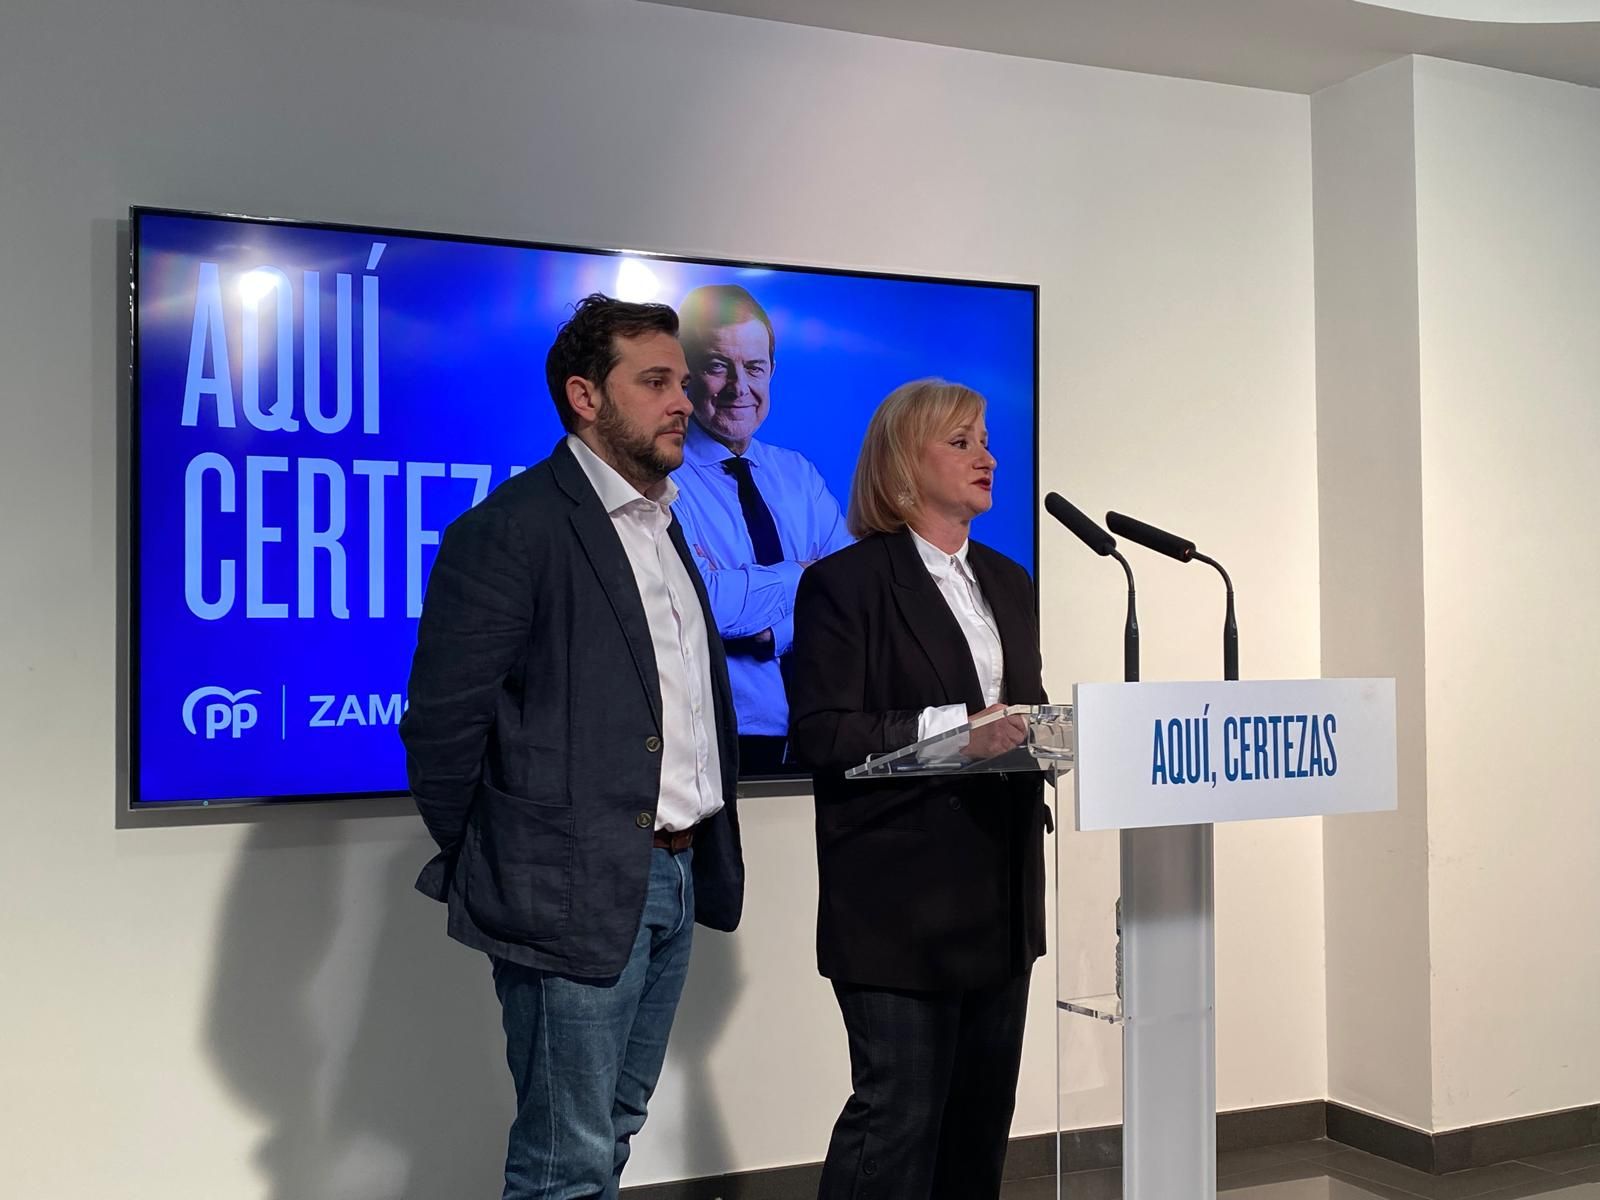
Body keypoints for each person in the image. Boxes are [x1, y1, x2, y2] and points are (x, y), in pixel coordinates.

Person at [399, 293, 744, 1200]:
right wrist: (510, 855)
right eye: (657, 382)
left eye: (682, 380)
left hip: (672, 874)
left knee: (613, 1131)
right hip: (568, 888)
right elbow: (442, 727)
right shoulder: (510, 532)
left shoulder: (667, 525)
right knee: (565, 1162)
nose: (684, 402)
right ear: (586, 397)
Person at [787, 379, 1050, 1200]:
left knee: (978, 1126)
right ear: (906, 462)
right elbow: (823, 734)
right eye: (962, 441)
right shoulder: (846, 584)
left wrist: (1044, 735)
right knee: (898, 1123)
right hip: (899, 905)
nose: (988, 456)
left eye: (986, 439)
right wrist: (953, 728)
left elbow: (1019, 715)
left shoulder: (1009, 582)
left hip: (1001, 896)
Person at [670, 284, 853, 775]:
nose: (738, 387)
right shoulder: (661, 480)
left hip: (825, 730)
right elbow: (700, 603)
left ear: (772, 371)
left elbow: (852, 602)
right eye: (716, 366)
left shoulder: (798, 475)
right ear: (685, 373)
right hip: (722, 742)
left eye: (754, 368)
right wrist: (804, 574)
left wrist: (776, 632)